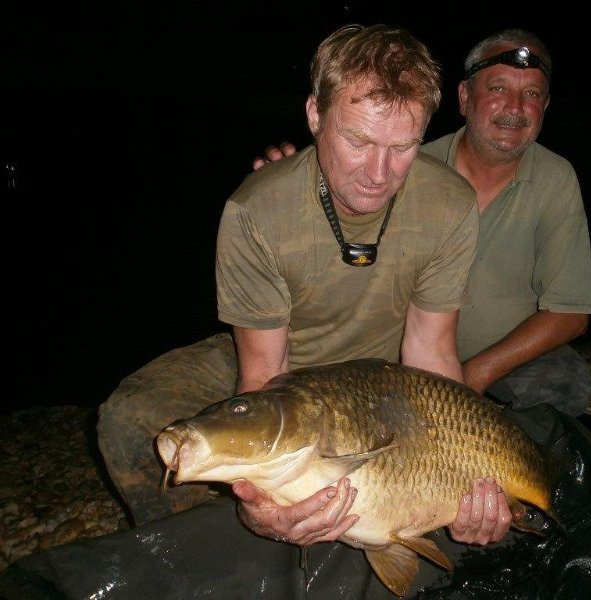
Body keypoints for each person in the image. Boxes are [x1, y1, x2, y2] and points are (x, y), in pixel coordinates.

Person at [96, 23, 513, 550]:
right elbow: (264, 370)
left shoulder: (450, 203)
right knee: (129, 421)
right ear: (315, 115)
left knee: (441, 487)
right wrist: (262, 507)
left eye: (403, 147)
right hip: (279, 357)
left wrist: (465, 479)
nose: (378, 172)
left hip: (383, 375)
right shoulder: (257, 209)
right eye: (357, 140)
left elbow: (430, 352)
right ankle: (209, 553)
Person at [257, 29, 591, 431]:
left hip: (498, 357)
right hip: (400, 352)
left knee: (566, 383)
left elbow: (571, 313)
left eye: (533, 94)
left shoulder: (556, 178)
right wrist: (303, 181)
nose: (515, 107)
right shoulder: (404, 166)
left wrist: (472, 378)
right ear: (464, 98)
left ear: (546, 106)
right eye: (498, 88)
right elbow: (341, 228)